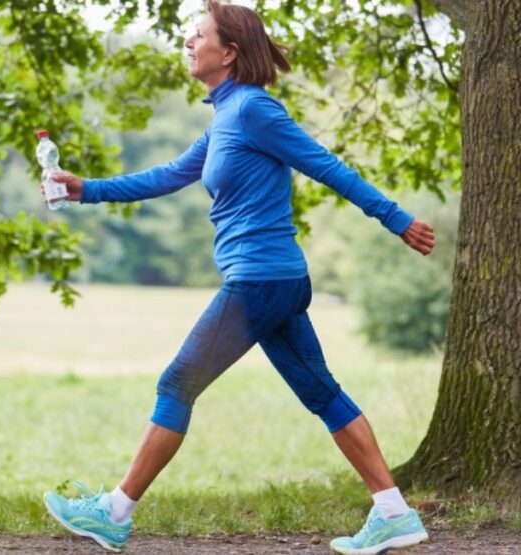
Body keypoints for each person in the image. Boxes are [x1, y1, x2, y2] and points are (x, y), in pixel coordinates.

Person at [40, 2, 437, 554]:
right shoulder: (226, 116)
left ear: (228, 51)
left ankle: (115, 512)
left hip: (259, 281)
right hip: (274, 282)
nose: (187, 41)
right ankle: (394, 512)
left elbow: (325, 164)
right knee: (322, 394)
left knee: (177, 384)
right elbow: (169, 175)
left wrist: (396, 219)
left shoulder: (254, 110)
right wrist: (88, 189)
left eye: (198, 34)